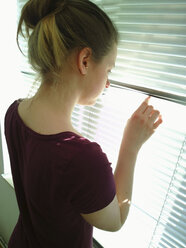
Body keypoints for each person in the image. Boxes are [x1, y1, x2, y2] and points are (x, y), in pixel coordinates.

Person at [4, 0, 163, 247]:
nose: (108, 83)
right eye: (109, 70)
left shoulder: (13, 112)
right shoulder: (81, 158)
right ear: (85, 60)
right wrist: (131, 145)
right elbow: (116, 219)